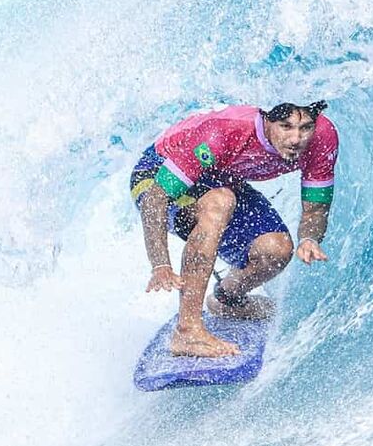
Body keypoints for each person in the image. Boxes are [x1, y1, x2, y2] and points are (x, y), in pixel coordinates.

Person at [130, 101, 339, 357]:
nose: (296, 139)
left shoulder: (322, 137)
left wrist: (309, 238)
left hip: (220, 178)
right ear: (267, 121)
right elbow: (156, 199)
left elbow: (315, 209)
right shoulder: (226, 131)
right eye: (286, 127)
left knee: (276, 250)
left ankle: (227, 300)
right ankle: (187, 331)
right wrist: (160, 264)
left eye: (305, 128)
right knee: (220, 202)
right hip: (157, 175)